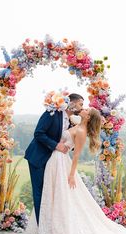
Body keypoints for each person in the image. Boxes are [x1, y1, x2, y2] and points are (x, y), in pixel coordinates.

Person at [24, 93, 84, 225]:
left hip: (54, 161)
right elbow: (38, 133)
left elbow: (67, 137)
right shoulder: (52, 113)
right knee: (40, 192)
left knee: (50, 192)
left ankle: (51, 226)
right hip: (38, 157)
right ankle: (42, 228)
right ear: (72, 104)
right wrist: (56, 145)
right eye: (80, 104)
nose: (82, 107)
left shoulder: (70, 120)